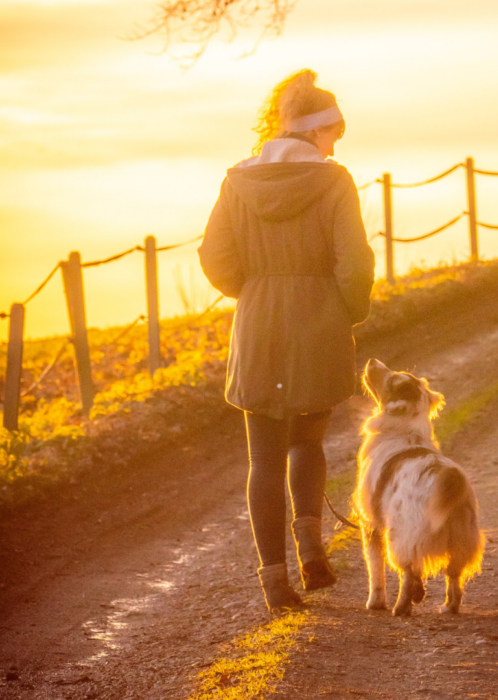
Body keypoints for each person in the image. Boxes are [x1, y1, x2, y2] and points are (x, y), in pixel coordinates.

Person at [198, 69, 375, 612]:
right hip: (317, 323)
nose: (334, 147)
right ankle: (311, 549)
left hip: (258, 323)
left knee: (264, 459)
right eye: (333, 136)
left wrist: (253, 291)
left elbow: (214, 257)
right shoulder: (334, 180)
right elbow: (356, 262)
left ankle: (275, 582)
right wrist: (346, 311)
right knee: (307, 442)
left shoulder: (237, 180)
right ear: (319, 131)